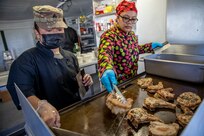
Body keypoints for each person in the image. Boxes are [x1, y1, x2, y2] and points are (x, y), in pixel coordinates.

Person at [7, 5, 93, 128]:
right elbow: (22, 92)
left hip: (76, 113)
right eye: (49, 30)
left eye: (58, 29)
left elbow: (76, 86)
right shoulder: (25, 61)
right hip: (49, 123)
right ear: (37, 33)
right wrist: (40, 106)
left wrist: (85, 83)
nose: (55, 33)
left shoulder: (70, 56)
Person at [98, 0, 164, 92]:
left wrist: (149, 46)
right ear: (117, 18)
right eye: (126, 18)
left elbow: (134, 49)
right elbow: (105, 53)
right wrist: (106, 68)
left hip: (133, 81)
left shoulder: (131, 35)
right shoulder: (109, 35)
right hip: (116, 86)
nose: (130, 22)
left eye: (133, 19)